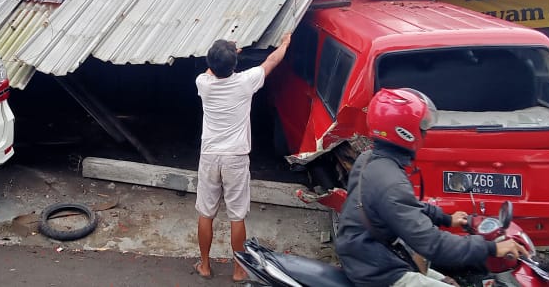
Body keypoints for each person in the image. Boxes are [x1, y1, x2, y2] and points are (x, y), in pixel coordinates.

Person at [336, 88, 529, 287]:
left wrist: (446, 218)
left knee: (449, 282)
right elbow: (433, 244)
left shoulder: (369, 159)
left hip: (368, 252)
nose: (425, 131)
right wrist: (491, 248)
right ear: (405, 131)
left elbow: (406, 206)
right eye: (422, 125)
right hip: (376, 270)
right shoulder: (391, 181)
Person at [193, 33, 292, 282]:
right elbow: (271, 61)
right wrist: (285, 43)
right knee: (236, 216)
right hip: (236, 157)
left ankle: (205, 266)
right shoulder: (246, 81)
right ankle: (238, 270)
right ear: (234, 64)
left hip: (210, 155)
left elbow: (212, 69)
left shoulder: (203, 83)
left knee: (206, 213)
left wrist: (224, 56)